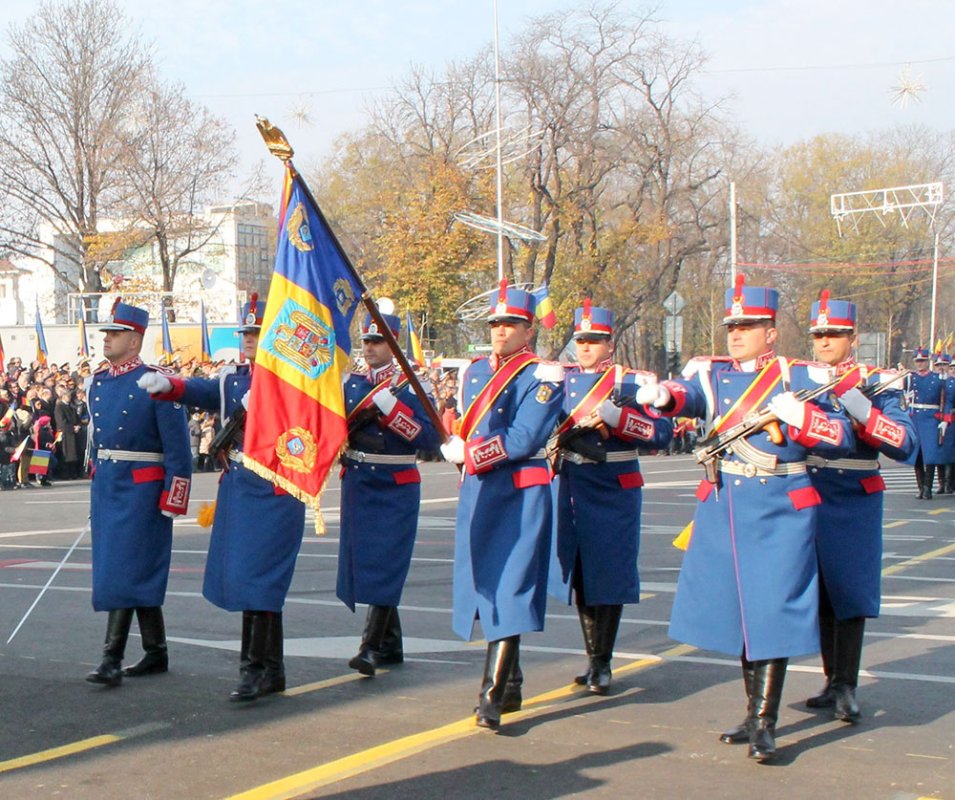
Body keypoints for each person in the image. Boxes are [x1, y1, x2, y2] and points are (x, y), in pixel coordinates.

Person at [636, 276, 851, 762]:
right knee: (740, 613)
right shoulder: (713, 375)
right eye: (732, 326)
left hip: (779, 507)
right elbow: (686, 396)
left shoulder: (801, 377)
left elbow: (838, 435)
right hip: (726, 505)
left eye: (748, 326)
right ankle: (753, 709)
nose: (736, 334)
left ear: (770, 332)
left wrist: (803, 419)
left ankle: (765, 722)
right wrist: (662, 396)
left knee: (770, 611)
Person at [138, 295, 306, 702]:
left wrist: (270, 407)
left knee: (260, 579)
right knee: (249, 578)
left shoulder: (297, 380)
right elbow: (207, 390)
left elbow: (307, 432)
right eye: (245, 333)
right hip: (239, 485)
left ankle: (253, 670)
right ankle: (271, 669)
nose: (248, 339)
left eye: (256, 333)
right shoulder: (235, 377)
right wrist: (172, 386)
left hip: (277, 486)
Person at [440, 281, 563, 731]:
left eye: (510, 323)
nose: (500, 331)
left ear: (528, 329)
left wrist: (471, 455)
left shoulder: (543, 377)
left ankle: (490, 695)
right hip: (480, 489)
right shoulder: (474, 372)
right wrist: (458, 444)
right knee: (484, 580)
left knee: (509, 584)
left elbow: (524, 438)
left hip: (521, 488)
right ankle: (510, 682)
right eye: (494, 323)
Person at [549, 301, 672, 695]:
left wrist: (621, 421)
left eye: (594, 340)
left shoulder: (632, 383)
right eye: (581, 339)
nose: (585, 347)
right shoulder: (560, 379)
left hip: (614, 485)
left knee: (610, 572)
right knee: (581, 572)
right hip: (572, 482)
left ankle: (603, 661)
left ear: (610, 343)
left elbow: (662, 434)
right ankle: (592, 658)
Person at [804, 291, 916, 722]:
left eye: (834, 334)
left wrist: (864, 412)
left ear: (852, 336)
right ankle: (831, 680)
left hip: (853, 496)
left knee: (849, 592)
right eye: (819, 334)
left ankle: (847, 685)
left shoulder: (877, 382)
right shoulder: (801, 378)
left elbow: (906, 444)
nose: (825, 341)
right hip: (811, 493)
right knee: (822, 596)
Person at [84, 300, 192, 687]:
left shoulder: (155, 380)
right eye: (106, 332)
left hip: (143, 488)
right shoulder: (99, 381)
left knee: (125, 569)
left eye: (114, 332)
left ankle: (111, 658)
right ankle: (156, 650)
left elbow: (179, 448)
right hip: (110, 483)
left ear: (135, 339)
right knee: (130, 567)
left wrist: (175, 494)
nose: (107, 338)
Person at [338, 308, 440, 676]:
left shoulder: (413, 385)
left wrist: (394, 410)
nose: (369, 347)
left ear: (393, 343)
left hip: (394, 483)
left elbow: (431, 439)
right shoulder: (352, 383)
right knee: (368, 561)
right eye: (365, 340)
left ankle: (369, 647)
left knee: (385, 562)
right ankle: (391, 643)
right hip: (360, 480)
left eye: (377, 340)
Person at [905, 347, 946, 499]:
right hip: (915, 416)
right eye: (918, 361)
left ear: (928, 361)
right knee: (917, 455)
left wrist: (943, 419)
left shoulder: (937, 378)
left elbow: (944, 400)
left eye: (922, 361)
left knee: (930, 454)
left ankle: (928, 487)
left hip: (930, 418)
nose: (920, 364)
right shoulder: (911, 378)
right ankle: (921, 487)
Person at [933, 353, 955, 494]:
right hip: (937, 418)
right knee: (940, 451)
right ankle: (942, 482)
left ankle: (949, 482)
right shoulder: (936, 380)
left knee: (949, 451)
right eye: (938, 365)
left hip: (950, 419)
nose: (942, 368)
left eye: (945, 365)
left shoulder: (950, 382)